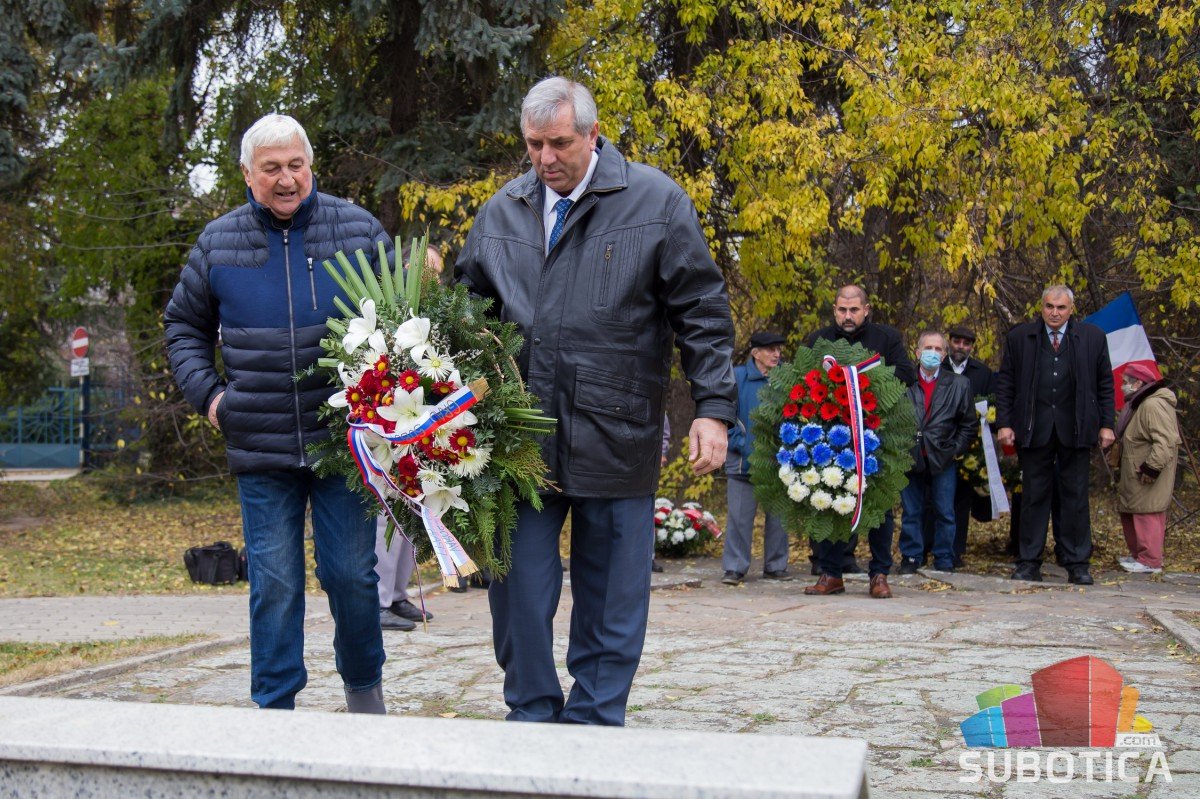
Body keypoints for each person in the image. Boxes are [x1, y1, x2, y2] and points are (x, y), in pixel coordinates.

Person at [455, 76, 736, 726]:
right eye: (534, 145)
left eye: (559, 143)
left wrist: (713, 408)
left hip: (616, 429)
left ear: (592, 134)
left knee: (612, 595)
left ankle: (595, 720)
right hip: (520, 438)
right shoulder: (501, 212)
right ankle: (531, 713)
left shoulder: (656, 202)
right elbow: (467, 318)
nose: (546, 158)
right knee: (517, 590)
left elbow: (702, 311)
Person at [164, 114, 390, 713]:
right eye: (271, 169)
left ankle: (364, 692)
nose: (286, 179)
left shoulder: (358, 229)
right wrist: (211, 398)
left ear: (310, 165)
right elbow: (182, 326)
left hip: (344, 443)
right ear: (248, 174)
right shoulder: (218, 242)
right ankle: (274, 710)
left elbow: (403, 313)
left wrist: (391, 402)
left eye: (296, 165)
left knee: (350, 575)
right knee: (275, 583)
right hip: (260, 444)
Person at [803, 284, 916, 599]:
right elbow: (804, 379)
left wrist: (865, 382)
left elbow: (906, 374)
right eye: (842, 310)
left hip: (876, 435)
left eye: (854, 310)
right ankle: (831, 573)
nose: (848, 316)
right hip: (832, 436)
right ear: (835, 310)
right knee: (830, 501)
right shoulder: (818, 340)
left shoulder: (887, 338)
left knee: (879, 507)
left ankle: (879, 574)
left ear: (866, 310)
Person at [995, 286, 1114, 584]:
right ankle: (1028, 562)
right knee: (1033, 497)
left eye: (1061, 307)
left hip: (1076, 429)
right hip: (1034, 430)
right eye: (1049, 306)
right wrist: (1004, 423)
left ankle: (1077, 563)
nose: (1055, 313)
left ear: (1071, 309)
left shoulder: (1092, 338)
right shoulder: (1021, 338)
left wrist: (1106, 424)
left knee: (1075, 498)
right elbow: (1006, 383)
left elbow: (1105, 384)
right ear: (1042, 307)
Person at [376, 245, 444, 630]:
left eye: (437, 272)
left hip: (424, 427)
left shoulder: (437, 315)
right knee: (387, 514)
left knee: (414, 513)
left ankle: (398, 594)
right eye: (425, 271)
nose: (432, 279)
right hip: (391, 426)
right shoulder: (393, 312)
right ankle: (379, 599)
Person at [898, 332, 976, 574]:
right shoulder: (903, 383)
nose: (932, 353)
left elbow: (968, 424)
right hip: (910, 456)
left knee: (945, 511)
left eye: (938, 349)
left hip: (943, 458)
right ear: (917, 353)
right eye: (927, 348)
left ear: (944, 355)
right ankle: (911, 557)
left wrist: (953, 450)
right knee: (911, 512)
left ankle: (944, 558)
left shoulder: (960, 384)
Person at [722, 331, 790, 586]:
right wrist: (740, 443)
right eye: (770, 349)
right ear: (755, 353)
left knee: (779, 519)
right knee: (739, 519)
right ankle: (734, 568)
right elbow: (725, 416)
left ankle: (776, 566)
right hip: (743, 464)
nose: (776, 354)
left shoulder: (787, 378)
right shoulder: (737, 377)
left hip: (779, 464)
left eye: (778, 349)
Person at [1115, 363, 1179, 574]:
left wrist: (1151, 468)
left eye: (1126, 382)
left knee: (1147, 513)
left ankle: (1150, 560)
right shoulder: (1139, 404)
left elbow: (1166, 441)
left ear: (1138, 383)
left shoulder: (1152, 405)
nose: (1122, 386)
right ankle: (1139, 556)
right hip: (1135, 471)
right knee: (1134, 513)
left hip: (1147, 472)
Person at [939, 325, 994, 567]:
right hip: (939, 442)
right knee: (934, 500)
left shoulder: (983, 372)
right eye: (957, 341)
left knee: (961, 500)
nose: (961, 347)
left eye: (966, 343)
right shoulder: (938, 367)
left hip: (969, 444)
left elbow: (992, 404)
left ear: (972, 346)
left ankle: (955, 550)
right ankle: (929, 546)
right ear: (949, 342)